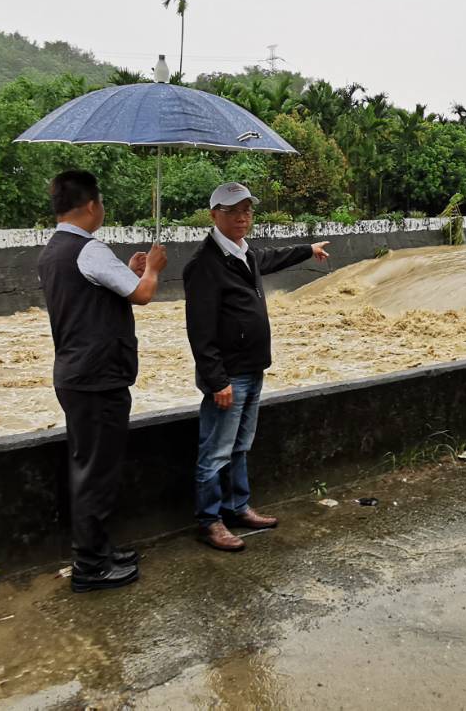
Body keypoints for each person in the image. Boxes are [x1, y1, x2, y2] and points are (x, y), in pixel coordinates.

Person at [37, 170, 167, 592]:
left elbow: (105, 289)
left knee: (93, 468)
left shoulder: (55, 249)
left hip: (77, 373)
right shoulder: (89, 250)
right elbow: (143, 294)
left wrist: (130, 269)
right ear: (92, 205)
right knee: (96, 473)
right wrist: (155, 268)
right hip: (97, 378)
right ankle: (91, 566)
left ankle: (100, 550)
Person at [182, 182, 330, 551]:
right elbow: (200, 332)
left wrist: (307, 250)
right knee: (216, 449)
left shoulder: (244, 254)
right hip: (228, 375)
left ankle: (237, 506)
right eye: (233, 210)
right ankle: (210, 521)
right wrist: (217, 381)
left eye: (247, 210)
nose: (242, 217)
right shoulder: (204, 265)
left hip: (252, 369)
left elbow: (273, 258)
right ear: (214, 213)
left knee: (239, 446)